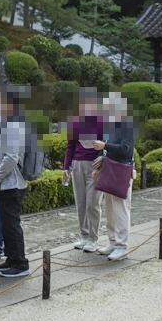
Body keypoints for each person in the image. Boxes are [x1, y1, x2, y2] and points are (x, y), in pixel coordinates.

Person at [0, 89, 30, 278]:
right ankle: (11, 258)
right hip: (7, 182)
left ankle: (20, 263)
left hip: (12, 182)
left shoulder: (13, 125)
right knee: (7, 224)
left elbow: (11, 157)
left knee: (12, 224)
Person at [62, 89, 103, 250]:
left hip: (95, 165)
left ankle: (94, 238)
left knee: (93, 203)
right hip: (78, 163)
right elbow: (70, 145)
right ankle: (84, 235)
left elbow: (104, 145)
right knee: (81, 202)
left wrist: (100, 164)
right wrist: (66, 167)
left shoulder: (101, 121)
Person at [94, 94, 134, 261]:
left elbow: (125, 148)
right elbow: (106, 150)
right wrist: (100, 163)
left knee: (121, 209)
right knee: (110, 209)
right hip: (110, 167)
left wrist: (105, 146)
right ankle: (112, 241)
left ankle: (121, 245)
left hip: (121, 169)